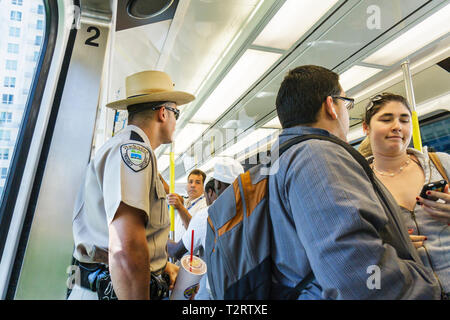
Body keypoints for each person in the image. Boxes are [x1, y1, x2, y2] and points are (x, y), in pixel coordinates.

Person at [269, 65, 440, 299]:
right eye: (347, 104)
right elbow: (353, 265)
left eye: (404, 119)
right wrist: (423, 289)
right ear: (331, 105)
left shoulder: (286, 158)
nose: (397, 127)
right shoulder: (317, 158)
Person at [68, 70, 195, 300]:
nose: (177, 121)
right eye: (177, 112)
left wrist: (163, 266)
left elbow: (136, 238)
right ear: (164, 113)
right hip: (113, 291)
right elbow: (125, 249)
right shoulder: (134, 152)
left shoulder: (127, 148)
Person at [362, 92, 450, 299]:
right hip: (412, 291)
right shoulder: (360, 183)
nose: (397, 126)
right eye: (386, 119)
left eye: (404, 119)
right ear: (366, 128)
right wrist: (389, 244)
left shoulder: (442, 164)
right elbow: (357, 244)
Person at [168, 157, 244, 299]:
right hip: (247, 290)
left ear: (216, 185)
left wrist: (159, 238)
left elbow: (176, 251)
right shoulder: (251, 212)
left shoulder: (206, 214)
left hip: (214, 292)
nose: (193, 185)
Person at [167, 169, 208, 242]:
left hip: (191, 253)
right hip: (176, 249)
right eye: (190, 182)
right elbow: (169, 191)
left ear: (203, 186)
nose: (193, 185)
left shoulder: (204, 205)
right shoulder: (186, 202)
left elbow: (194, 230)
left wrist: (180, 207)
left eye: (197, 182)